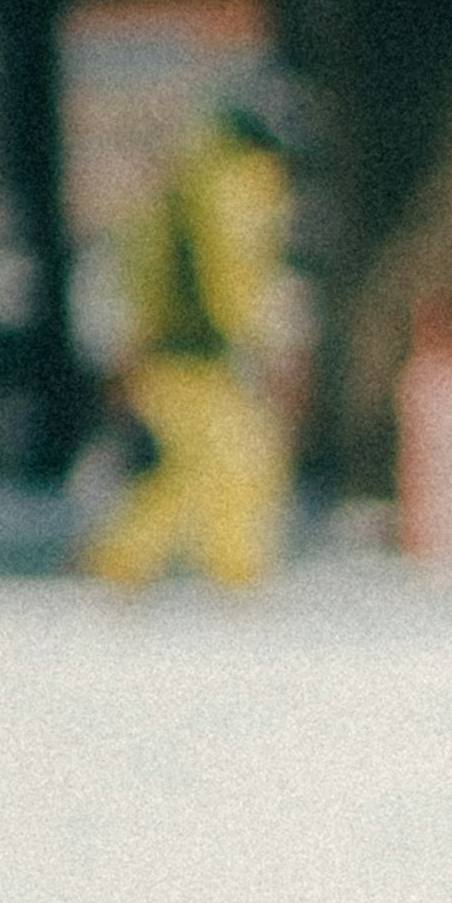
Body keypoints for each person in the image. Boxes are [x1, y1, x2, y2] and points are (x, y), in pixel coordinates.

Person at [81, 94, 298, 591]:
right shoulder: (235, 182)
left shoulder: (185, 182)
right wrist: (256, 335)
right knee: (236, 457)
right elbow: (232, 265)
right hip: (200, 352)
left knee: (195, 463)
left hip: (171, 349)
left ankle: (122, 559)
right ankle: (232, 570)